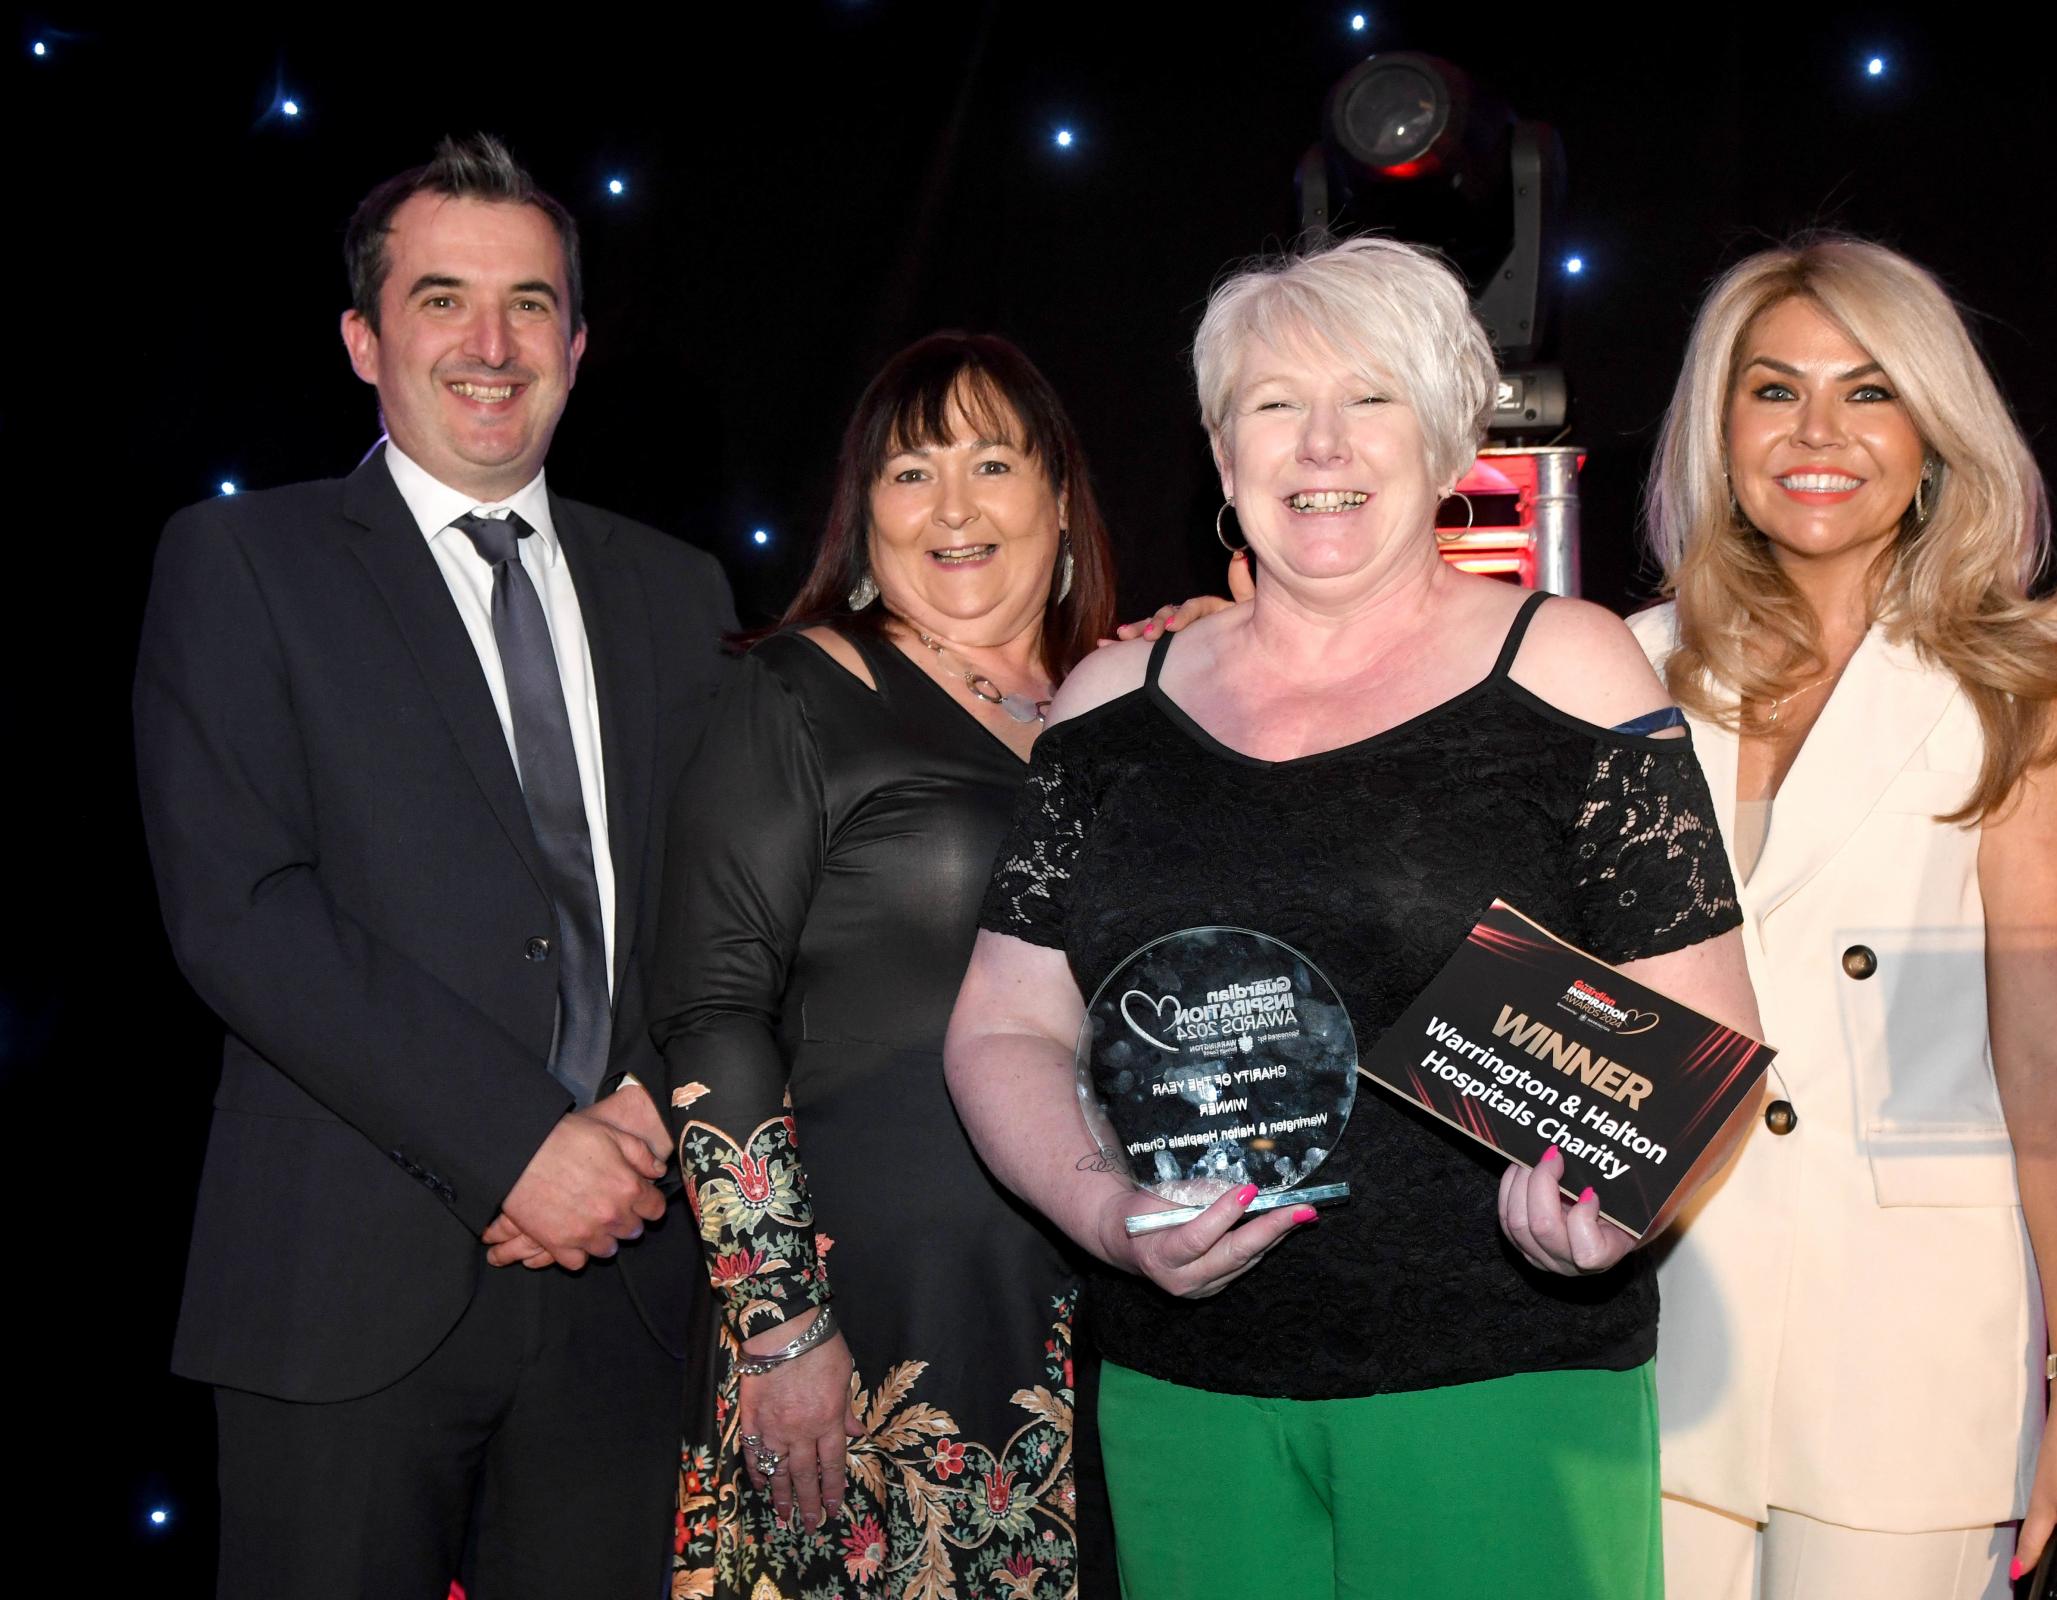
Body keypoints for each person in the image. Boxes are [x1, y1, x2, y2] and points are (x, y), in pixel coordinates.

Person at [944, 238, 1764, 1600]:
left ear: (1448, 441)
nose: (1321, 442)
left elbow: (1707, 1028)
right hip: (1185, 1390)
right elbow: (1004, 1023)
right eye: (1273, 404)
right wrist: (1106, 1217)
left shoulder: (1567, 665)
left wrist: (1623, 1205)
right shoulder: (1104, 705)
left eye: (1371, 399)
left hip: (1502, 1383)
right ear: (1221, 450)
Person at [133, 135, 736, 1598]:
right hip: (340, 1285)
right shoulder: (240, 561)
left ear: (578, 345)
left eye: (530, 304)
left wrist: (647, 1112)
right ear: (363, 337)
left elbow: (727, 898)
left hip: (628, 1281)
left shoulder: (677, 588)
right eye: (442, 298)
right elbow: (243, 914)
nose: (489, 343)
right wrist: (522, 1145)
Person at [1628, 234, 2057, 1599]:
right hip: (1649, 1327)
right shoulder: (1615, 670)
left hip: (1913, 1355)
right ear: (1720, 427)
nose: (1818, 433)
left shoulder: (2013, 701)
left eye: (1869, 392)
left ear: (1934, 432)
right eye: (1773, 390)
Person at [650, 333, 1120, 1599]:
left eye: (992, 463)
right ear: (864, 517)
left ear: (1060, 500)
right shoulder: (802, 692)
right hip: (869, 1323)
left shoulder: (1135, 708)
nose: (955, 508)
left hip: (1122, 1312)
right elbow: (710, 1010)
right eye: (911, 474)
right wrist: (780, 1316)